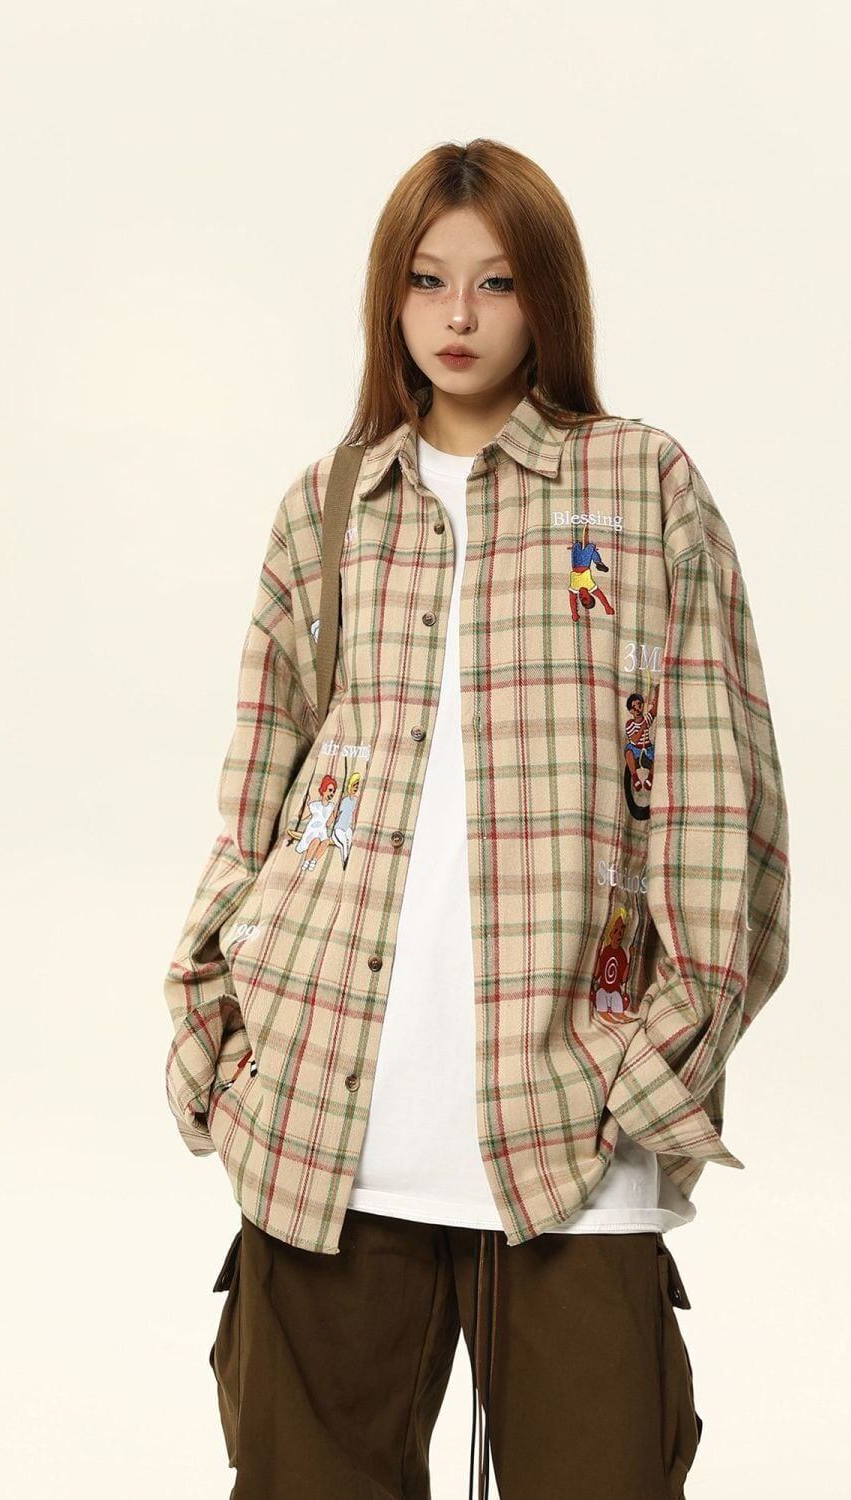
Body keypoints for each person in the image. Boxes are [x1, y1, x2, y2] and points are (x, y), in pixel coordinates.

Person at [163, 137, 791, 1500]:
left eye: (495, 282)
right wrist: (218, 1020)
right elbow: (258, 796)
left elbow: (719, 805)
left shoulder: (638, 486)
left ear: (546, 296)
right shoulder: (328, 506)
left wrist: (652, 1061)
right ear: (387, 299)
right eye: (426, 279)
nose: (457, 315)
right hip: (325, 1115)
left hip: (570, 1120)